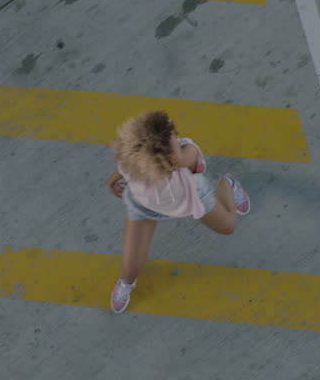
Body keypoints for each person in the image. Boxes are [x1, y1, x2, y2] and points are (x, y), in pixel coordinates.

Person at [105, 110, 251, 313]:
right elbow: (124, 166)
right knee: (131, 266)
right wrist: (112, 180)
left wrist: (177, 158)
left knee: (228, 226)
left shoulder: (186, 153)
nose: (177, 138)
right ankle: (127, 283)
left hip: (191, 197)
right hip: (145, 206)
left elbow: (187, 156)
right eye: (172, 139)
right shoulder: (133, 159)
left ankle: (228, 184)